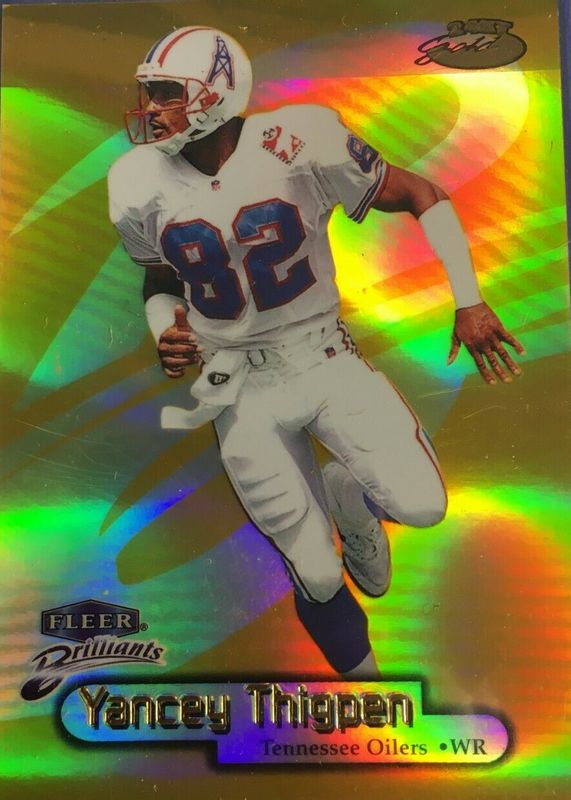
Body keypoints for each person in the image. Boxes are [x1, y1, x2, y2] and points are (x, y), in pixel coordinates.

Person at [108, 27, 524, 678]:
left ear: (218, 94)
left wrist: (468, 301)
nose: (151, 109)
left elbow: (420, 193)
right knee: (317, 572)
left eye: (167, 93)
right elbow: (160, 277)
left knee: (423, 506)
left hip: (322, 356)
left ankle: (351, 499)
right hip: (237, 386)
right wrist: (166, 327)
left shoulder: (298, 141)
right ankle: (367, 694)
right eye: (150, 93)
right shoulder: (135, 180)